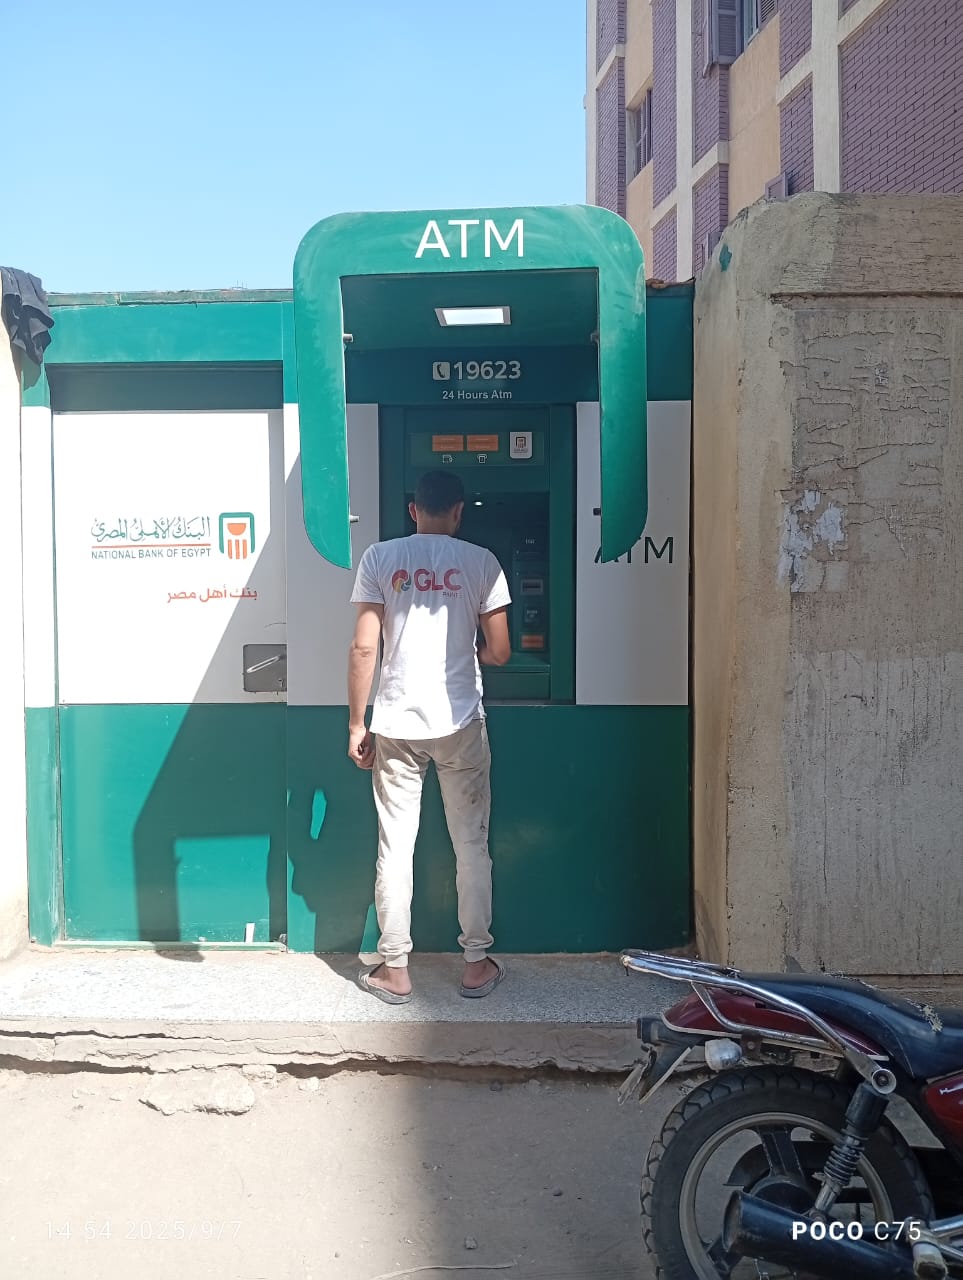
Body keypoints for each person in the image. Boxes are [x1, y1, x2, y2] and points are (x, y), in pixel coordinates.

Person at [347, 469, 512, 1004]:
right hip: (460, 721)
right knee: (471, 845)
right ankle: (476, 964)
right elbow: (501, 651)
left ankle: (395, 969)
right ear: (459, 512)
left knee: (396, 847)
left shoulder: (379, 558)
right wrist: (469, 652)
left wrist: (357, 723)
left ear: (413, 510)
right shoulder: (483, 562)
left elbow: (364, 648)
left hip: (395, 724)